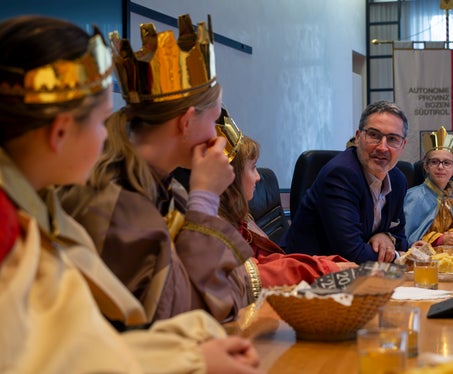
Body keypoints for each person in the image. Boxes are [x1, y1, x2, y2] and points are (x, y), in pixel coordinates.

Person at [0, 15, 259, 373]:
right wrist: (204, 200)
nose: (107, 135)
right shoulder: (95, 204)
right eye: (99, 121)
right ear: (60, 132)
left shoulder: (37, 206)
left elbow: (81, 344)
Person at [59, 14, 256, 323]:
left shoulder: (168, 189)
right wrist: (204, 200)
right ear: (187, 122)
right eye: (214, 118)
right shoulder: (111, 203)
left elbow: (237, 291)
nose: (218, 135)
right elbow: (187, 318)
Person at [214, 125, 356, 288]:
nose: (258, 177)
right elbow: (252, 276)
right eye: (253, 168)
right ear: (232, 177)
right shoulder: (215, 226)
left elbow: (265, 261)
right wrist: (324, 268)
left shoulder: (236, 215)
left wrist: (325, 264)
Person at [282, 100, 409, 264]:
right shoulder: (340, 175)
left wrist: (385, 236)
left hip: (360, 279)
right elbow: (351, 254)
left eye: (392, 139)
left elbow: (401, 238)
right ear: (358, 137)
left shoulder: (397, 180)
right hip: (311, 277)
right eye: (374, 135)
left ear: (403, 145)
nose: (382, 147)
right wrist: (399, 257)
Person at [404, 127, 453, 246]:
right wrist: (440, 240)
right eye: (435, 162)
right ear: (426, 167)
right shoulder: (414, 197)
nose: (440, 167)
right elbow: (407, 238)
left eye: (446, 163)